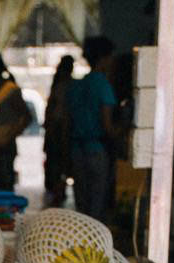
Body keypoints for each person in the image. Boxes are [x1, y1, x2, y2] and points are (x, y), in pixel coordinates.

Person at [68, 36, 119, 221]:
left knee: (82, 202)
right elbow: (107, 124)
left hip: (76, 150)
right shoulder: (102, 84)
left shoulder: (76, 85)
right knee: (97, 204)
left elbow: (68, 121)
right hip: (96, 149)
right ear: (104, 58)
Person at [0, 56, 33, 193]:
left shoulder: (10, 90)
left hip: (6, 146)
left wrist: (9, 136)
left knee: (4, 184)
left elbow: (27, 117)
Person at [42, 55, 75, 209]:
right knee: (60, 167)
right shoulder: (67, 86)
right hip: (60, 132)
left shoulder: (59, 86)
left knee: (56, 167)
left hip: (56, 132)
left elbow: (51, 113)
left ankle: (57, 194)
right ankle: (57, 194)